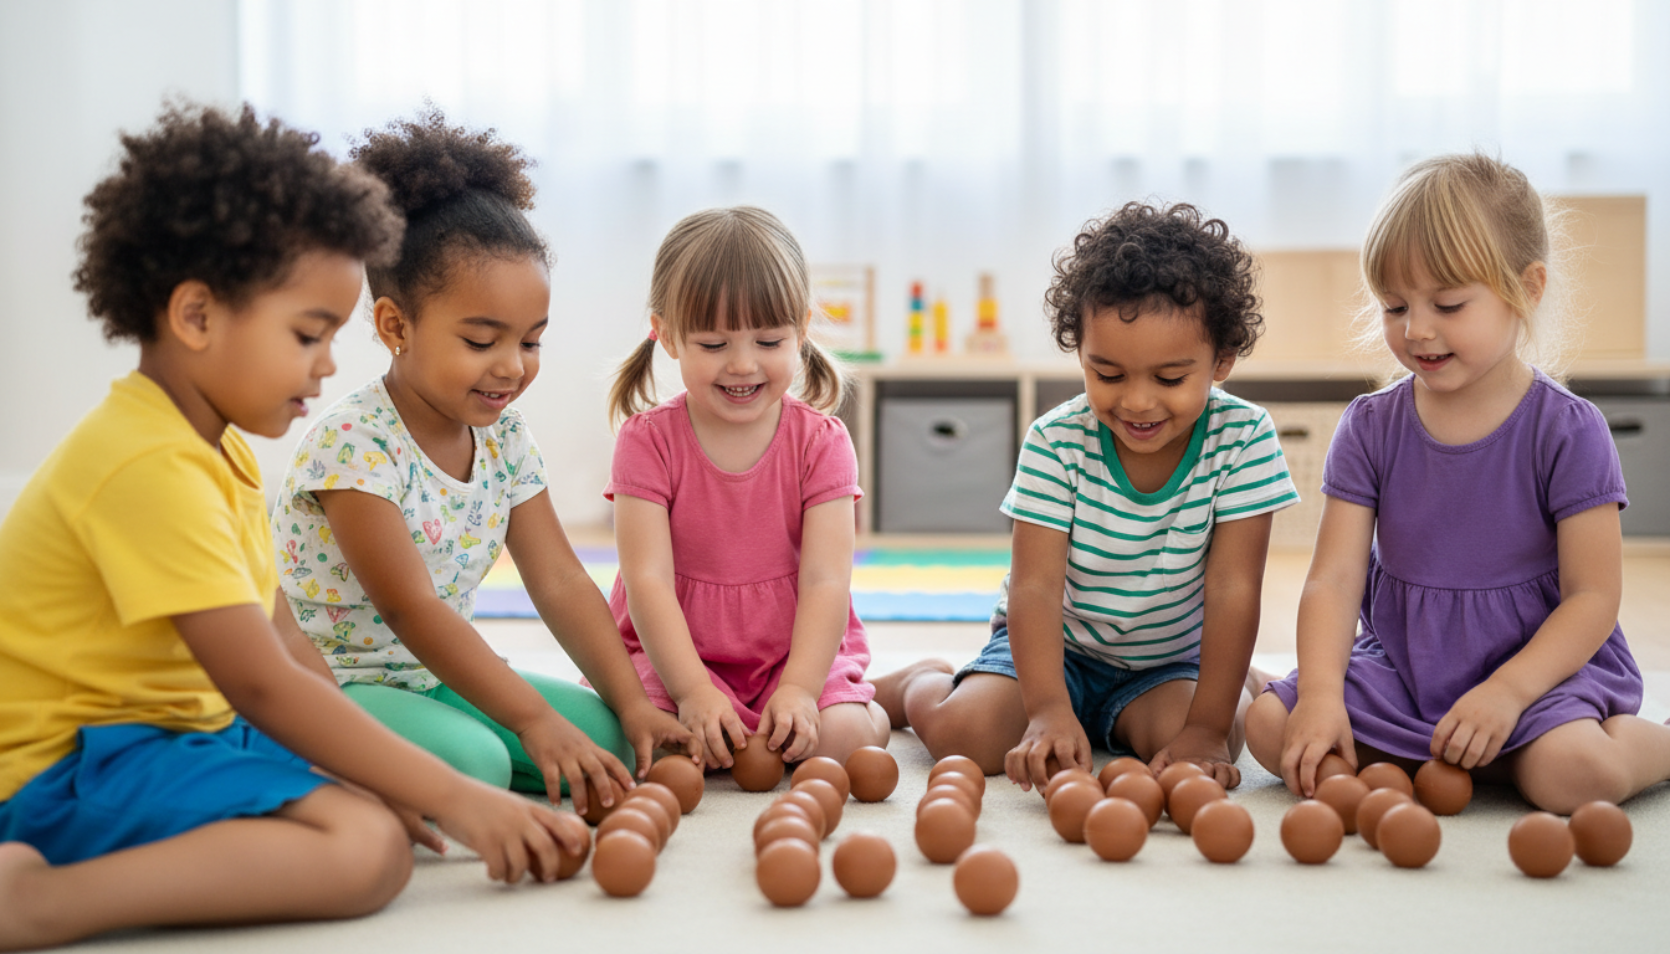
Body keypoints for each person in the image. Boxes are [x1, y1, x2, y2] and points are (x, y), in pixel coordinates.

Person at [0, 103, 582, 951]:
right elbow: (262, 684)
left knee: (370, 805)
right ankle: (37, 905)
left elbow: (287, 645)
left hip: (170, 733)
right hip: (71, 765)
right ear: (196, 317)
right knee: (367, 849)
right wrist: (462, 799)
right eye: (308, 334)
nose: (328, 364)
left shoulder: (213, 451)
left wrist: (365, 766)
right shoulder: (147, 466)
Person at [271, 108, 691, 812]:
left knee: (614, 739)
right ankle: (324, 767)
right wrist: (531, 719)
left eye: (530, 341)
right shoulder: (355, 448)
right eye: (480, 340)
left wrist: (634, 699)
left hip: (437, 676)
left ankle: (480, 737)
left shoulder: (503, 439)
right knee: (483, 764)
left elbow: (557, 578)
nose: (511, 367)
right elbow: (411, 609)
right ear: (396, 326)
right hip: (340, 683)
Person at [1246, 154, 1670, 813]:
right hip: (1408, 670)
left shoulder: (1567, 429)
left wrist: (1507, 693)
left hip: (1538, 673)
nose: (1416, 329)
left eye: (1447, 304)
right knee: (1271, 729)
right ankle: (1483, 761)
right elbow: (1334, 581)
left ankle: (1652, 746)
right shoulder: (1370, 427)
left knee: (1573, 776)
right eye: (1394, 305)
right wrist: (1323, 696)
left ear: (1527, 290)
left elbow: (1593, 597)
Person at [875, 202, 1297, 790]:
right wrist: (1047, 708)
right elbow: (1035, 588)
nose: (1138, 402)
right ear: (1080, 353)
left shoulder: (1244, 437)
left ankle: (1230, 683)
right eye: (1109, 374)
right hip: (1058, 650)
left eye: (1170, 379)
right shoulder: (1056, 441)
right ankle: (917, 681)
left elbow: (1234, 588)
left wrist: (1204, 725)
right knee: (965, 735)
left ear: (1221, 360)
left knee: (1212, 738)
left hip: (1166, 660)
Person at [606, 206, 888, 769]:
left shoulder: (822, 442)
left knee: (844, 741)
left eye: (768, 341)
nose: (742, 364)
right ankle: (715, 703)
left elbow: (826, 579)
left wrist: (802, 690)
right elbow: (649, 581)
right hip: (678, 652)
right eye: (713, 345)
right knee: (655, 751)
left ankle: (885, 699)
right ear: (666, 336)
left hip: (794, 649)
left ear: (801, 331)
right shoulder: (646, 442)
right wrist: (692, 692)